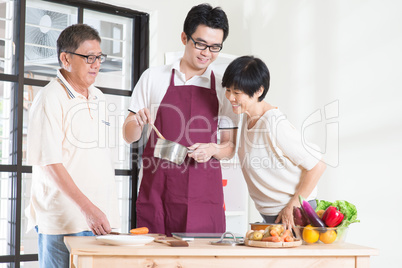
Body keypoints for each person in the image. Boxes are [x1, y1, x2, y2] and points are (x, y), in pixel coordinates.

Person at [123, 4, 238, 236]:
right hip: (158, 194)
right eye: (201, 44)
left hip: (203, 197)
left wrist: (213, 148)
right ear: (184, 37)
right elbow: (128, 136)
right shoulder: (153, 77)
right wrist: (138, 122)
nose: (207, 53)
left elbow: (230, 146)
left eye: (215, 47)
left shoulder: (223, 87)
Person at [25, 24, 120, 268]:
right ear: (65, 58)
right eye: (89, 57)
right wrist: (87, 209)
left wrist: (100, 212)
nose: (96, 64)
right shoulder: (49, 98)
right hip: (65, 224)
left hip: (101, 223)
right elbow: (49, 163)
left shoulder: (99, 96)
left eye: (99, 57)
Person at [222, 56, 327, 230]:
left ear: (258, 91)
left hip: (295, 215)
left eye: (237, 92)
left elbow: (318, 165)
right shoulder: (246, 118)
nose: (230, 97)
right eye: (228, 90)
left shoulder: (274, 124)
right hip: (274, 215)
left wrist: (293, 206)